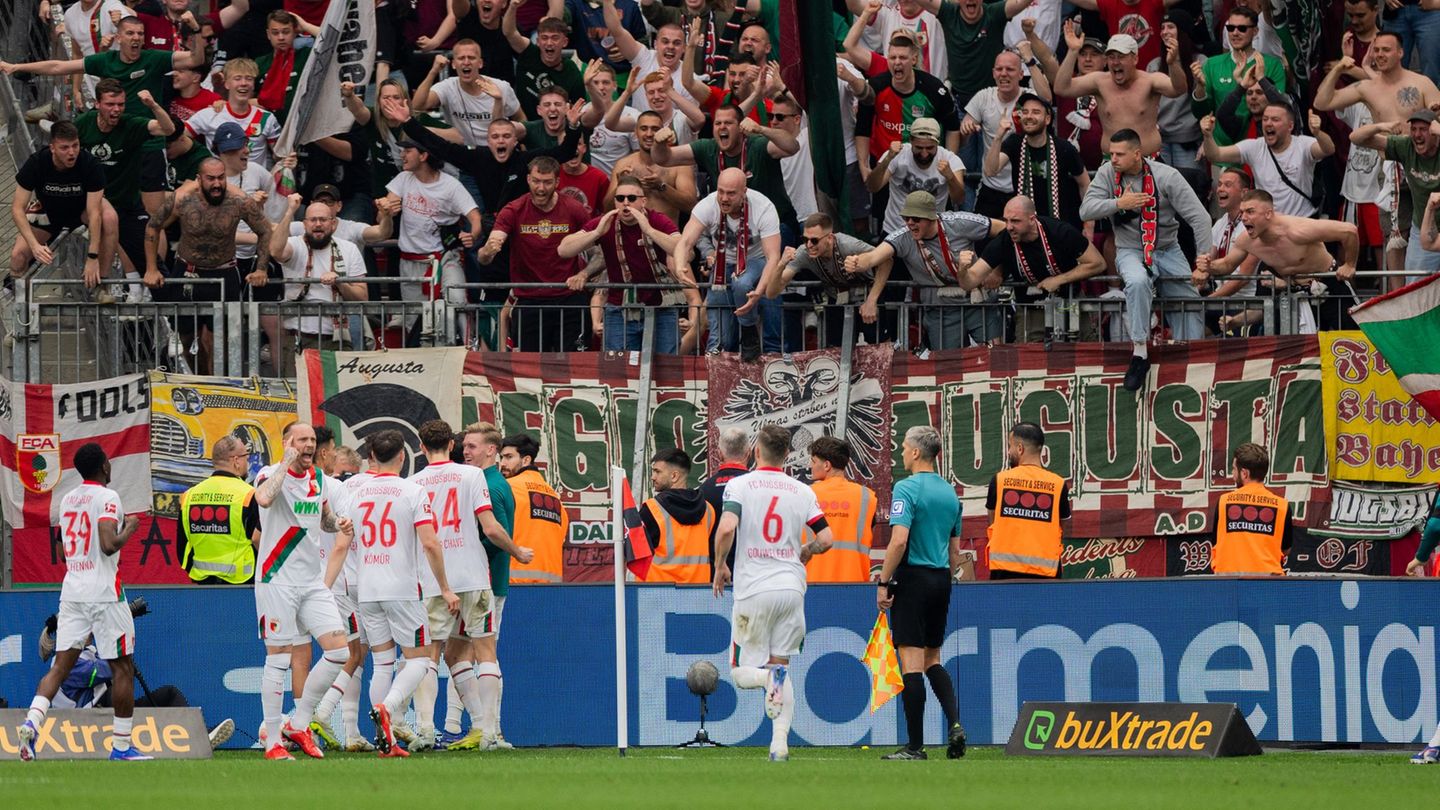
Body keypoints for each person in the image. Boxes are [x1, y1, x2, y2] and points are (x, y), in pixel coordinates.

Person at [14, 443, 146, 762]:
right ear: (103, 466)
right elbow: (108, 543)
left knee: (60, 666)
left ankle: (32, 723)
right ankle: (122, 746)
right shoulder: (108, 497)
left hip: (72, 591)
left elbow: (61, 553)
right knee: (122, 668)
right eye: (109, 463)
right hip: (104, 594)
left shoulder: (68, 500)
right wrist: (130, 526)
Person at [712, 424, 834, 762]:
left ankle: (767, 680)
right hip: (791, 588)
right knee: (781, 668)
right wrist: (807, 551)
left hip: (754, 587)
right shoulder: (802, 491)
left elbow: (726, 527)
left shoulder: (740, 485)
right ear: (787, 455)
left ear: (755, 451)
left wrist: (721, 564)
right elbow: (827, 540)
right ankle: (779, 744)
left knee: (739, 673)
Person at [409, 420, 532, 752]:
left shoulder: (413, 483)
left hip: (434, 579)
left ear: (421, 447)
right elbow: (490, 528)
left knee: (429, 656)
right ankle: (490, 733)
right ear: (451, 444)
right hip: (474, 576)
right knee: (486, 652)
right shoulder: (472, 475)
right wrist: (517, 551)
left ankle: (424, 729)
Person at [334, 430, 458, 757]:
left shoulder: (354, 493)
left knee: (382, 663)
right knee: (419, 658)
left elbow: (343, 542)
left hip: (367, 589)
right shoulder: (412, 491)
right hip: (402, 588)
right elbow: (430, 542)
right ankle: (388, 708)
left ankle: (384, 738)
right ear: (403, 457)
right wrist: (444, 587)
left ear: (371, 455)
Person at [1079, 129, 1212, 392]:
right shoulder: (1107, 172)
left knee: (1188, 299)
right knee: (1138, 281)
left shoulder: (1167, 176)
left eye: (1119, 154)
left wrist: (1203, 262)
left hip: (1167, 247)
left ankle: (1195, 358)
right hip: (1130, 248)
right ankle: (1139, 353)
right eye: (1111, 154)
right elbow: (1086, 209)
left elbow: (1201, 218)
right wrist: (1119, 203)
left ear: (1137, 154)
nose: (1113, 159)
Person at [252, 422, 355, 761]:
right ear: (288, 443)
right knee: (279, 659)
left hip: (311, 581)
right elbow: (264, 500)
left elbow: (323, 519)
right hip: (277, 578)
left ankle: (298, 722)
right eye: (303, 440)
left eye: (313, 440)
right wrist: (286, 462)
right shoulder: (270, 473)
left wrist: (337, 522)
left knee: (339, 652)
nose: (310, 445)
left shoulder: (320, 480)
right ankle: (273, 743)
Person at [876, 426, 964, 761]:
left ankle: (915, 746)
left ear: (915, 452)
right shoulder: (950, 494)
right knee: (933, 659)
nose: (901, 453)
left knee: (911, 664)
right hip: (941, 579)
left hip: (912, 578)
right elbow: (955, 551)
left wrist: (883, 582)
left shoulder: (906, 488)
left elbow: (899, 540)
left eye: (903, 447)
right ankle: (955, 723)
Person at [144, 157, 274, 375]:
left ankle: (214, 385)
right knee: (186, 338)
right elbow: (153, 227)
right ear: (199, 178)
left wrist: (261, 268)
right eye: (211, 178)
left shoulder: (239, 200)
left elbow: (265, 231)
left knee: (217, 341)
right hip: (188, 271)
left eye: (221, 178)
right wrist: (152, 268)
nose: (217, 184)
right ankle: (199, 379)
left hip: (223, 273)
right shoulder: (183, 199)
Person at [844, 190, 1006, 350]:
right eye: (906, 218)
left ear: (931, 217)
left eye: (915, 218)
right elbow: (875, 256)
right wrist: (858, 263)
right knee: (948, 365)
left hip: (978, 302)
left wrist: (995, 269)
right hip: (941, 310)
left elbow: (1004, 230)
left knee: (995, 356)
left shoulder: (959, 222)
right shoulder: (902, 236)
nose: (910, 223)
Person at [558, 175, 690, 354]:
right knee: (620, 371)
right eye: (620, 199)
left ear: (643, 201)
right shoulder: (606, 222)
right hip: (619, 308)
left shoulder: (657, 220)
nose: (625, 203)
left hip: (661, 307)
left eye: (632, 198)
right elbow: (564, 249)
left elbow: (683, 249)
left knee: (666, 367)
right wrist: (596, 233)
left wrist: (649, 230)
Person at [447, 422, 519, 750]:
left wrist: (466, 557)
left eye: (473, 446)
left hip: (484, 583)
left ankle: (491, 729)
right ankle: (480, 726)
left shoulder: (490, 484)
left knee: (481, 653)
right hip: (478, 582)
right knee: (458, 653)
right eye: (465, 446)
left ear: (491, 450)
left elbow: (497, 533)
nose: (466, 451)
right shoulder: (485, 480)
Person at [1194, 190, 1359, 330]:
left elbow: (1349, 231)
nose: (1243, 218)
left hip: (1330, 285)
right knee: (1306, 351)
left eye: (1250, 211)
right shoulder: (1247, 240)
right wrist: (1209, 266)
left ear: (1268, 214)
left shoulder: (1297, 230)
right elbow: (1227, 265)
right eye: (1242, 212)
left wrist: (1349, 264)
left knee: (1354, 339)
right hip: (1295, 295)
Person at [480, 156, 594, 351]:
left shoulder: (574, 209)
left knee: (573, 363)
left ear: (557, 182)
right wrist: (488, 252)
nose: (541, 188)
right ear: (528, 180)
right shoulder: (513, 210)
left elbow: (598, 251)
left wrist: (585, 273)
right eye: (536, 181)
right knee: (529, 365)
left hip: (569, 298)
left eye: (547, 182)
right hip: (529, 299)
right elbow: (485, 254)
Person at [673, 167, 784, 361]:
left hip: (756, 260)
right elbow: (685, 241)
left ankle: (749, 333)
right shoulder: (708, 204)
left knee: (742, 283)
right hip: (723, 262)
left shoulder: (764, 207)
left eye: (731, 193)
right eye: (721, 191)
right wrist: (680, 266)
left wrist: (760, 289)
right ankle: (718, 350)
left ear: (744, 191)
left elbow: (773, 256)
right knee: (718, 315)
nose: (724, 198)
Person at [381, 138, 482, 345]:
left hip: (445, 257)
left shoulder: (450, 185)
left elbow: (475, 218)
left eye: (408, 151)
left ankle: (465, 349)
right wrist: (385, 212)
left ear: (423, 155)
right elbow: (386, 206)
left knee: (457, 301)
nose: (402, 155)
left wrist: (472, 235)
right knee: (413, 315)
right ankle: (420, 360)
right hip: (410, 261)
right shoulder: (402, 178)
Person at [964, 196, 1105, 343]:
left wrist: (1059, 279)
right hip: (1030, 310)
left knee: (1086, 352)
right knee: (1027, 359)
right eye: (1006, 220)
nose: (1009, 227)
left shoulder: (1060, 231)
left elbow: (1098, 263)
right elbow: (970, 280)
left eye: (1015, 221)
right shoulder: (1004, 239)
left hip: (1070, 302)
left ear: (1032, 219)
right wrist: (963, 270)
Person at [10, 120, 117, 288]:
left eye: (75, 146)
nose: (72, 152)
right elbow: (17, 208)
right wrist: (34, 245)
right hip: (49, 213)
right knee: (18, 256)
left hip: (82, 212)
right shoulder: (37, 162)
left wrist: (92, 256)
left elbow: (94, 213)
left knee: (110, 217)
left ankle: (103, 286)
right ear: (52, 148)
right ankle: (18, 305)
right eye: (64, 148)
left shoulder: (90, 164)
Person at [1053, 28, 1187, 156]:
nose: (1115, 62)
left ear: (1135, 59)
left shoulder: (1150, 81)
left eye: (1121, 56)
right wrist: (1073, 51)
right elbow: (1061, 88)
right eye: (1111, 57)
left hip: (1147, 161)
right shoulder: (1099, 82)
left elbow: (1179, 89)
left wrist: (1173, 63)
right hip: (1111, 162)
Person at [770, 213, 890, 348]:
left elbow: (886, 260)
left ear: (830, 238)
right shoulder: (804, 252)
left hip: (866, 295)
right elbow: (772, 292)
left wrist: (872, 300)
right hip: (837, 298)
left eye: (814, 240)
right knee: (835, 349)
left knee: (880, 344)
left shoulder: (849, 245)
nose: (809, 245)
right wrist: (781, 265)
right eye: (805, 239)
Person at [1350, 109, 1440, 283]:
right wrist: (1380, 126)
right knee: (1415, 288)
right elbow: (1355, 138)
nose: (1417, 134)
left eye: (1423, 129)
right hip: (1423, 229)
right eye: (1414, 129)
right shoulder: (1406, 146)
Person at [1200, 104, 1333, 218]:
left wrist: (1318, 133)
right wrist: (1208, 136)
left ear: (1290, 126)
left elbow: (1328, 149)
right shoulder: (1255, 147)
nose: (1268, 123)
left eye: (1275, 119)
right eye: (1265, 119)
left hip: (1303, 221)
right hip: (1269, 223)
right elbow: (1216, 155)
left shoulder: (1303, 144)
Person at [984, 93, 1089, 226]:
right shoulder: (1014, 143)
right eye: (1025, 112)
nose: (1029, 116)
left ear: (1047, 119)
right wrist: (998, 136)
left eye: (1036, 112)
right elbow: (990, 170)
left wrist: (1088, 223)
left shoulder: (1064, 148)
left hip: (1059, 223)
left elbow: (1084, 183)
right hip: (1025, 224)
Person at [1190, 6, 1288, 146]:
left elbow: (1281, 107)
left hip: (1263, 149)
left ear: (1255, 31)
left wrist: (1261, 80)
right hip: (1222, 153)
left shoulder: (1272, 65)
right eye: (1231, 28)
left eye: (1242, 28)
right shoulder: (1212, 64)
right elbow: (1201, 113)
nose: (1235, 33)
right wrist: (1199, 88)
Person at [984, 422, 1070, 579]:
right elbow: (1062, 525)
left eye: (1010, 446)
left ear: (1020, 448)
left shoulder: (999, 480)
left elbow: (993, 520)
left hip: (1004, 571)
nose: (1009, 451)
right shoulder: (1058, 484)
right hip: (1046, 573)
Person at [177, 435, 260, 585]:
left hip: (202, 582)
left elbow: (182, 547)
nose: (247, 463)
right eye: (246, 458)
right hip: (243, 583)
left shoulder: (189, 496)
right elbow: (258, 540)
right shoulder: (249, 495)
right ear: (236, 461)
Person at [412, 42, 523, 148]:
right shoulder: (447, 87)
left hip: (496, 150)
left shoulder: (501, 87)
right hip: (463, 152)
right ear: (454, 64)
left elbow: (520, 118)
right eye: (461, 58)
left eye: (471, 57)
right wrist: (433, 71)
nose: (466, 62)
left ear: (480, 63)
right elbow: (417, 106)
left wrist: (522, 143)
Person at [866, 117, 966, 235]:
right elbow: (872, 187)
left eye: (930, 148)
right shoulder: (897, 155)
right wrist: (887, 159)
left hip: (931, 233)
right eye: (919, 148)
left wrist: (950, 177)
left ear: (938, 142)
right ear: (910, 141)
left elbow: (959, 199)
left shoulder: (950, 159)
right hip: (895, 230)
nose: (924, 154)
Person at [1210, 442, 1293, 576]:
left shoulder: (1224, 502)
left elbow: (1216, 542)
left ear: (1244, 473)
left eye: (1234, 469)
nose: (1232, 474)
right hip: (1268, 584)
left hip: (1228, 585)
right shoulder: (1282, 505)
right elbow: (1286, 549)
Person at [804, 437, 877, 584]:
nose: (809, 465)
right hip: (855, 585)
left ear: (826, 465)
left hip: (811, 584)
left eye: (813, 461)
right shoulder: (867, 497)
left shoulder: (805, 494)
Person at [638, 449, 715, 584]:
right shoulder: (708, 510)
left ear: (674, 476)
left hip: (656, 594)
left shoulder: (651, 509)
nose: (653, 477)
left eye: (657, 471)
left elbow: (636, 553)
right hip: (697, 593)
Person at [500, 433, 569, 584]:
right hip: (552, 587)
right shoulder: (556, 498)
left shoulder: (506, 488)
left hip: (512, 583)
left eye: (509, 457)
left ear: (526, 460)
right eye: (502, 457)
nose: (503, 463)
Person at [700, 426, 750, 580]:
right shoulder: (758, 486)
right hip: (751, 573)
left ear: (719, 454)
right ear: (748, 452)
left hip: (716, 574)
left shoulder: (704, 489)